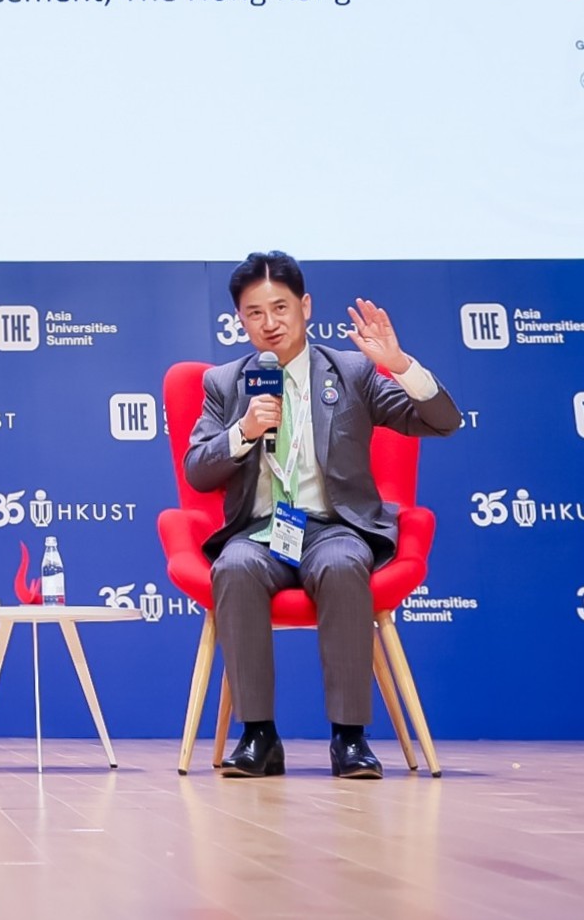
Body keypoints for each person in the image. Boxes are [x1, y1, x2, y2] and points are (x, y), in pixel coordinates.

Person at [184, 251, 461, 779]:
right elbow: (197, 471)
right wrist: (243, 431)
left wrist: (400, 365)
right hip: (260, 532)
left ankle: (349, 739)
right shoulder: (225, 382)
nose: (270, 323)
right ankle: (259, 736)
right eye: (255, 313)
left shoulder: (351, 372)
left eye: (280, 308)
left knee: (342, 564)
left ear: (305, 306)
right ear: (240, 319)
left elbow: (442, 421)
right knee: (234, 568)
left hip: (335, 527)